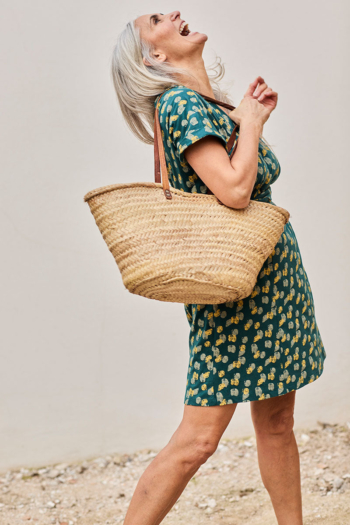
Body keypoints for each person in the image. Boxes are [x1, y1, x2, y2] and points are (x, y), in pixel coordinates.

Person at [110, 10, 326, 525]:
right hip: (235, 291)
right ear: (154, 56)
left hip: (272, 280)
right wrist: (250, 123)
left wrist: (245, 114)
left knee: (277, 422)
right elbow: (233, 190)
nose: (176, 14)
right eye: (158, 20)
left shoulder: (209, 104)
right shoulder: (180, 104)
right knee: (198, 439)